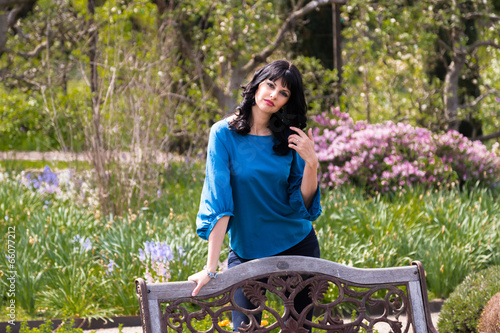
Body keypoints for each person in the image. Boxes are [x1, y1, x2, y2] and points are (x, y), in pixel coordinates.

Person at [188, 59, 322, 331]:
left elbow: (303, 205)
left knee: (299, 329)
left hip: (297, 244)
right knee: (245, 329)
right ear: (257, 84)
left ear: (288, 101)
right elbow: (220, 201)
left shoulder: (289, 138)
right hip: (247, 250)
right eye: (271, 85)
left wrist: (312, 165)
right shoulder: (223, 134)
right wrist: (211, 267)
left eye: (283, 92)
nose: (274, 95)